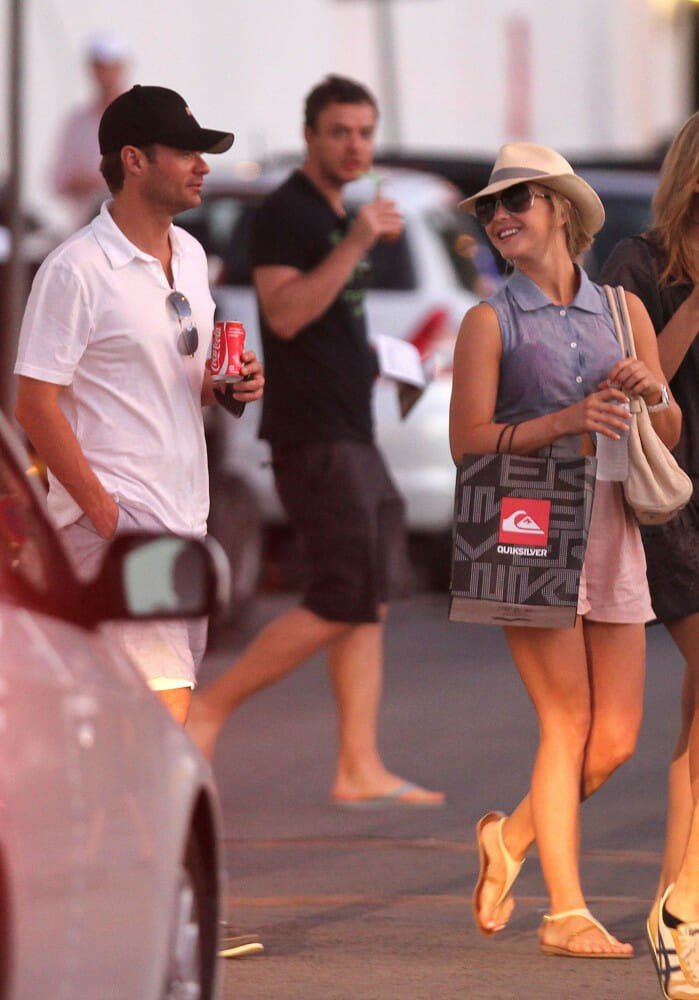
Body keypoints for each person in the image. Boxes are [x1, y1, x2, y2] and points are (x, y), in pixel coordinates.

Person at [450, 142, 681, 957]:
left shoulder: (622, 310)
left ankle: (508, 838)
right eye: (490, 207)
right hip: (525, 521)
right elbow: (466, 443)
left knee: (613, 739)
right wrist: (564, 421)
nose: (499, 216)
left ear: (560, 209)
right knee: (566, 720)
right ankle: (564, 914)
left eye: (516, 200)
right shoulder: (489, 321)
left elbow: (668, 431)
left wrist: (652, 392)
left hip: (612, 519)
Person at [187, 74, 443, 807]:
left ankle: (358, 764)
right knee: (340, 596)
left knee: (367, 597)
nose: (355, 145)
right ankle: (210, 707)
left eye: (364, 132)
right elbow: (288, 314)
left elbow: (327, 327)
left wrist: (384, 361)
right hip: (314, 435)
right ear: (310, 136)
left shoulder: (334, 213)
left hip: (353, 427)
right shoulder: (287, 213)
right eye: (340, 132)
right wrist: (358, 240)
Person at [15, 84, 263, 728]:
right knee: (162, 712)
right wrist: (103, 511)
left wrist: (227, 384)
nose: (202, 166)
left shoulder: (192, 256)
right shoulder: (77, 268)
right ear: (133, 160)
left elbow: (184, 378)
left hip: (184, 516)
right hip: (121, 525)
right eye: (185, 152)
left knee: (132, 721)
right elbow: (33, 403)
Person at [600, 112, 699, 998]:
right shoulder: (639, 266)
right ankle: (683, 906)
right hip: (668, 499)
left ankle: (680, 903)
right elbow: (636, 388)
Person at [51, 31, 131, 230]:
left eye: (111, 68)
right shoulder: (78, 122)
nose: (106, 75)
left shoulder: (139, 118)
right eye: (100, 68)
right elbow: (59, 179)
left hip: (130, 226)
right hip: (87, 226)